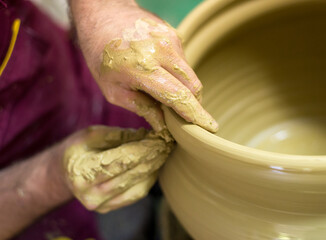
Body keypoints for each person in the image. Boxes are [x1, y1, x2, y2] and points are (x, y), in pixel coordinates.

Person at [0, 0, 218, 239]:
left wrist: (100, 11)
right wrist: (47, 179)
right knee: (122, 224)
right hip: (17, 202)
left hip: (63, 77)